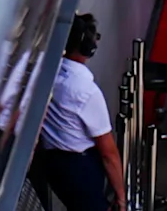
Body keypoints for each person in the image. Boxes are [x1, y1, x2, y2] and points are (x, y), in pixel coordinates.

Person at [32, 16, 124, 211]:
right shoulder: (86, 91)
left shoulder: (46, 70)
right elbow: (109, 153)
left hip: (51, 162)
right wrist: (121, 197)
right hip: (80, 167)